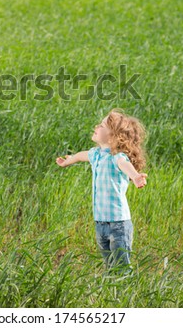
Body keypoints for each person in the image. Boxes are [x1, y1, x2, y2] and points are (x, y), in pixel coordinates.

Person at [56, 108, 148, 275]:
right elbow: (80, 155)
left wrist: (135, 177)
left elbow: (125, 165)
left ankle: (125, 288)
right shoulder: (96, 155)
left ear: (113, 136)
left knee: (121, 265)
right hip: (100, 223)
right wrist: (67, 161)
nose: (96, 127)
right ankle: (113, 289)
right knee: (109, 264)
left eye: (102, 125)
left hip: (118, 224)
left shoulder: (117, 157)